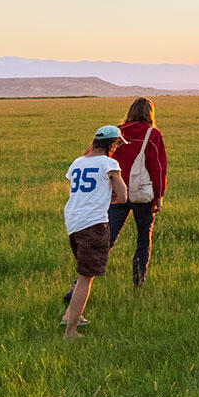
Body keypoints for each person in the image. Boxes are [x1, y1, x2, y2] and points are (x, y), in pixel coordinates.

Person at [59, 125, 126, 339]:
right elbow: (123, 195)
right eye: (117, 145)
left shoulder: (78, 162)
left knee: (83, 273)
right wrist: (110, 197)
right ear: (111, 145)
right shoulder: (109, 163)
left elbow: (78, 192)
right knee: (86, 277)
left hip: (74, 222)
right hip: (93, 224)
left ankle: (74, 315)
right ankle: (70, 331)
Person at [111, 98, 169, 288]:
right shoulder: (153, 135)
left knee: (106, 239)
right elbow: (158, 168)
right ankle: (138, 283)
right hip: (142, 195)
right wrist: (159, 196)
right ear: (150, 114)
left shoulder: (117, 132)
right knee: (143, 238)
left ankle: (81, 281)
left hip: (116, 193)